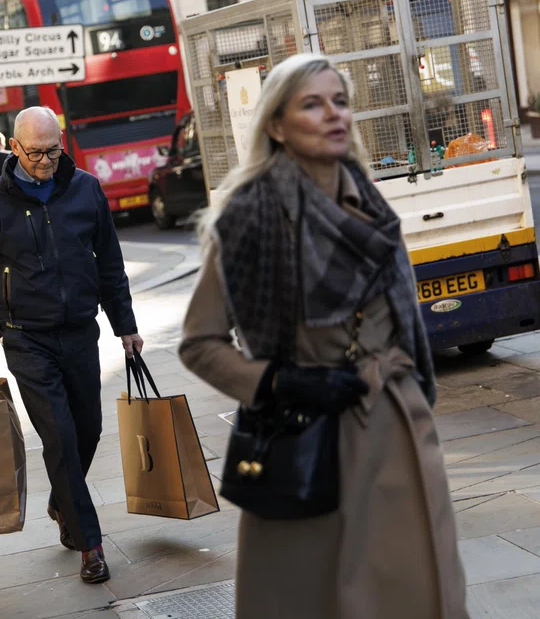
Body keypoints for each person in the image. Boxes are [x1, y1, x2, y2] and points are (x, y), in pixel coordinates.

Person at [178, 54, 467, 618]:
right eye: (313, 104)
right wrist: (283, 382)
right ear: (278, 125)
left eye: (340, 101)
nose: (334, 114)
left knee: (416, 592)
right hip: (309, 442)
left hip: (399, 431)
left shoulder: (369, 200)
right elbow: (198, 343)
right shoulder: (249, 217)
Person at [0, 106, 142, 585]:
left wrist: (126, 325)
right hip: (26, 338)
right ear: (14, 148)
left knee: (88, 430)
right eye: (35, 152)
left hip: (81, 330)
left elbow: (110, 262)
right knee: (59, 436)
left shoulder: (85, 188)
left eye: (53, 150)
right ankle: (91, 545)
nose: (44, 160)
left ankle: (63, 500)